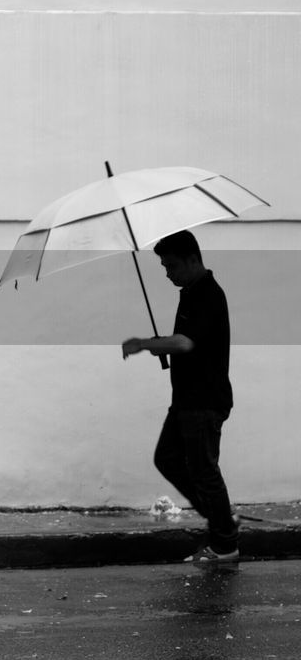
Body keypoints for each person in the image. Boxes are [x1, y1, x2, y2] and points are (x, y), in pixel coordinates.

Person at [122, 230, 238, 564]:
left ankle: (226, 545)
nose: (168, 272)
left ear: (191, 259)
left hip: (204, 401)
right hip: (187, 400)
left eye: (171, 265)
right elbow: (187, 341)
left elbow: (186, 342)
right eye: (163, 266)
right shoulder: (190, 292)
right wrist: (161, 343)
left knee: (204, 471)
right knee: (167, 458)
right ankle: (221, 521)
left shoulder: (207, 294)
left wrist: (146, 343)